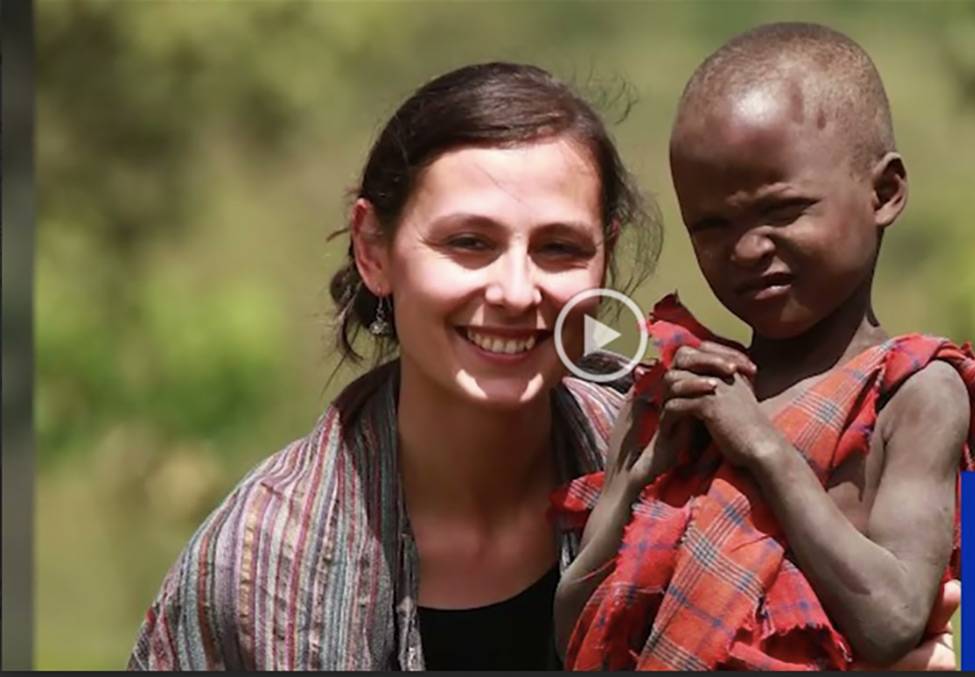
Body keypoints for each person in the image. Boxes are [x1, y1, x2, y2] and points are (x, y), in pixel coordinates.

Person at [553, 22, 975, 670]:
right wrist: (641, 472)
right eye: (712, 225)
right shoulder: (679, 393)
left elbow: (891, 619)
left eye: (782, 210)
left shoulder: (912, 393)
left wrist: (762, 448)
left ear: (883, 193)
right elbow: (574, 629)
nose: (747, 248)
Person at [126, 61, 661, 670]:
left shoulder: (677, 476)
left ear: (604, 259)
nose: (516, 291)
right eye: (469, 242)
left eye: (559, 248)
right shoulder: (256, 569)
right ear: (373, 250)